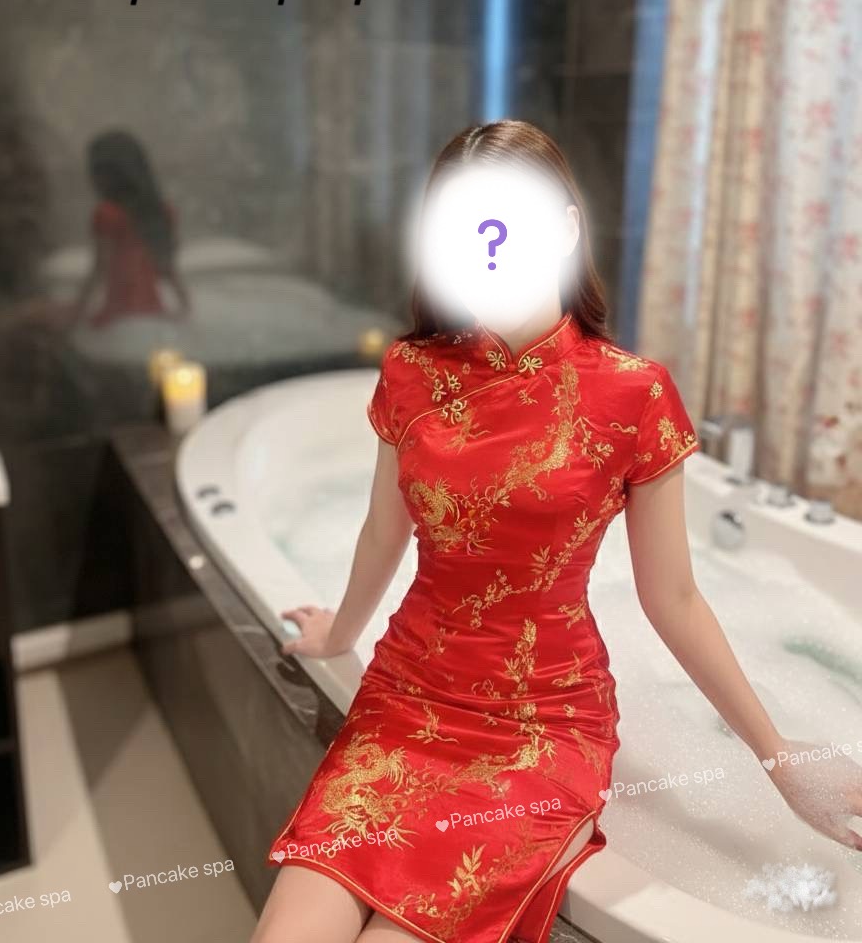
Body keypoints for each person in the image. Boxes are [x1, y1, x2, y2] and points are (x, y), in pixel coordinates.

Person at [253, 121, 862, 943]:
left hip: (538, 728)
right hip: (408, 699)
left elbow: (675, 598)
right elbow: (379, 534)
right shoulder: (412, 371)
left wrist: (779, 756)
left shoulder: (634, 395)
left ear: (566, 230)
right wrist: (339, 635)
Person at [65, 130, 190, 328]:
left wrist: (76, 312)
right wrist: (185, 306)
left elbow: (100, 268)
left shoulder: (107, 214)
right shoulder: (162, 212)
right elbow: (167, 267)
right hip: (154, 314)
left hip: (117, 316)